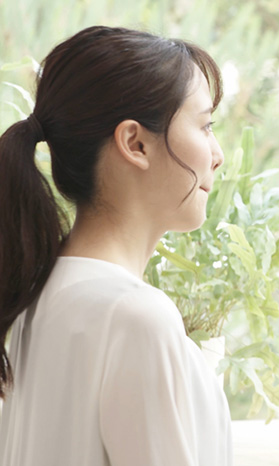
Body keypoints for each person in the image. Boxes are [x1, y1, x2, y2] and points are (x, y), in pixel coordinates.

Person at [0, 26, 234, 465]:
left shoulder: (37, 298)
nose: (217, 155)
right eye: (205, 126)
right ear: (135, 143)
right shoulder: (136, 315)